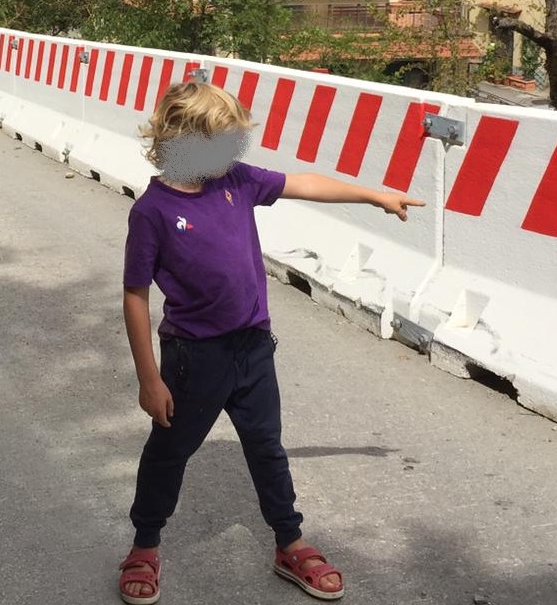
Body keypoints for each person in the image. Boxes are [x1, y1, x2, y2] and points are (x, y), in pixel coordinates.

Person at [117, 81, 423, 604]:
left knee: (266, 447)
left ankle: (290, 542)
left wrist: (374, 194)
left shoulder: (236, 182)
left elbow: (303, 183)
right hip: (195, 357)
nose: (232, 152)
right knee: (170, 451)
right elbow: (135, 295)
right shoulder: (153, 211)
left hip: (254, 347)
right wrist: (149, 378)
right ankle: (144, 545)